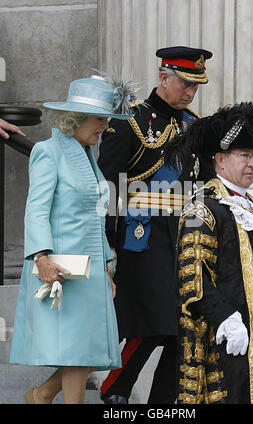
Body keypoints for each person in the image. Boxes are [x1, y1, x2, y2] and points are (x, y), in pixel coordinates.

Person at [9, 74, 136, 404]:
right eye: (100, 119)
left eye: (107, 120)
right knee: (80, 351)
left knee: (94, 347)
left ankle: (41, 394)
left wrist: (107, 268)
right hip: (61, 267)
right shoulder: (48, 152)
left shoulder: (88, 154)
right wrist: (40, 257)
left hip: (90, 270)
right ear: (75, 118)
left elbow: (93, 220)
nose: (105, 127)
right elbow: (36, 210)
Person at [98, 46, 213, 404]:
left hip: (185, 235)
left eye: (196, 86)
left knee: (183, 329)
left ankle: (162, 404)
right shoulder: (129, 120)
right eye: (184, 84)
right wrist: (104, 248)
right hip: (142, 238)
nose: (190, 93)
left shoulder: (195, 125)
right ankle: (114, 387)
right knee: (157, 321)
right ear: (163, 78)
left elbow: (205, 185)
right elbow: (107, 186)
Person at [164, 102, 253, 404]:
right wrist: (226, 318)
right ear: (220, 161)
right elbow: (192, 278)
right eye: (243, 155)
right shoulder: (202, 208)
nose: (252, 163)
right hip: (228, 338)